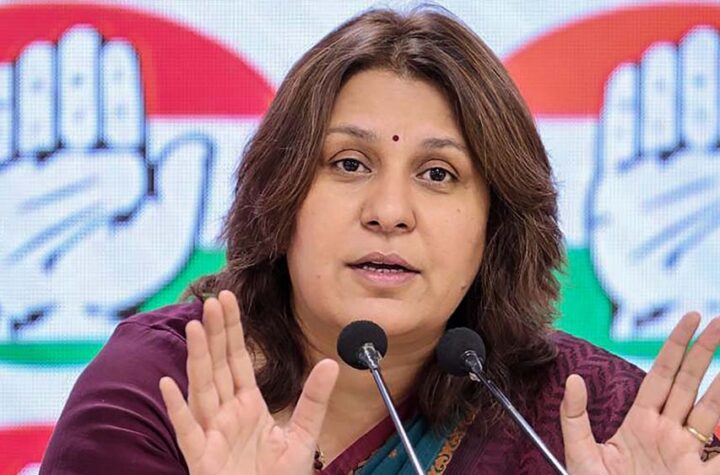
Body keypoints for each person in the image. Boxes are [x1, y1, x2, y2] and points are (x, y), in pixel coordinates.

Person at [40, 6, 720, 475]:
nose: (389, 212)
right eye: (348, 164)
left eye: (438, 173)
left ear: (497, 224)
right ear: (280, 194)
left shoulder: (587, 416)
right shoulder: (165, 390)